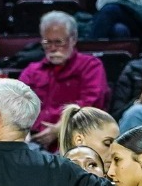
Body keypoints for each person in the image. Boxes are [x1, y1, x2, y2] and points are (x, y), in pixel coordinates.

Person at [23, 12, 110, 145]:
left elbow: (92, 104)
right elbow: (17, 102)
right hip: (33, 140)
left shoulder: (90, 66)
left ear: (73, 39)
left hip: (77, 137)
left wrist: (62, 127)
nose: (52, 48)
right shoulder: (32, 71)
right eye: (47, 42)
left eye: (59, 42)